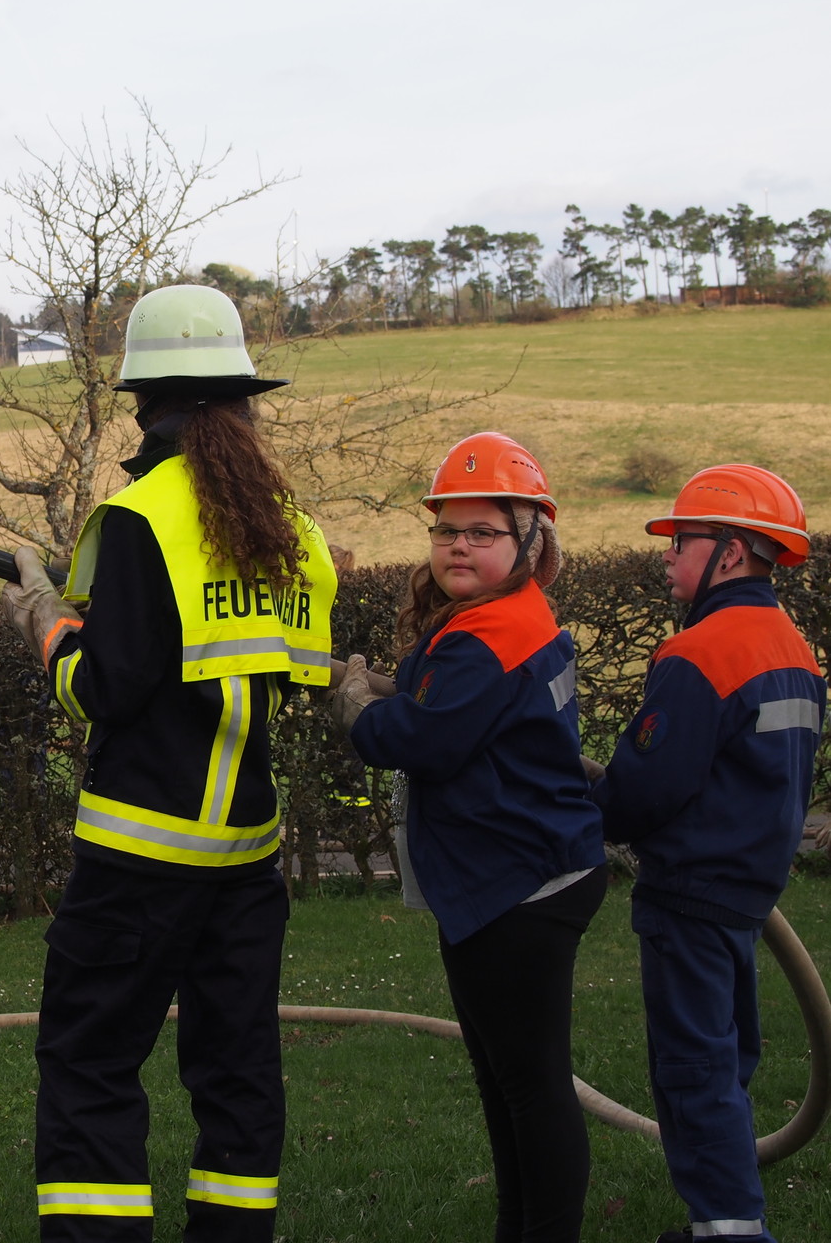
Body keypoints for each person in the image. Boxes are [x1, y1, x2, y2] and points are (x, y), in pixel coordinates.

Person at [1, 283, 337, 1242]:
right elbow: (287, 673)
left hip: (138, 860)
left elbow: (102, 689)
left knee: (92, 1062)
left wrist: (47, 626)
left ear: (142, 404)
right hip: (245, 857)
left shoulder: (142, 518)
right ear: (239, 400)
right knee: (237, 1068)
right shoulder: (286, 525)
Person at [328, 432, 607, 1243]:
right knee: (510, 1083)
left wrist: (359, 710)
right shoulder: (504, 616)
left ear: (529, 541)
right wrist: (394, 688)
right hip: (523, 873)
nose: (459, 545)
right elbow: (446, 702)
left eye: (483, 532)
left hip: (518, 889)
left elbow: (422, 742)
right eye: (447, 529)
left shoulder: (489, 637)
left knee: (530, 1086)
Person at [586, 464, 824, 1243]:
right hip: (748, 890)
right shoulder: (793, 649)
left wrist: (588, 805)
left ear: (729, 552)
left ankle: (729, 1230)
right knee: (727, 1056)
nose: (665, 555)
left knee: (693, 1070)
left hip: (689, 891)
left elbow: (644, 791)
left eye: (680, 541)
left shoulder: (699, 653)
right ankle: (726, 1214)